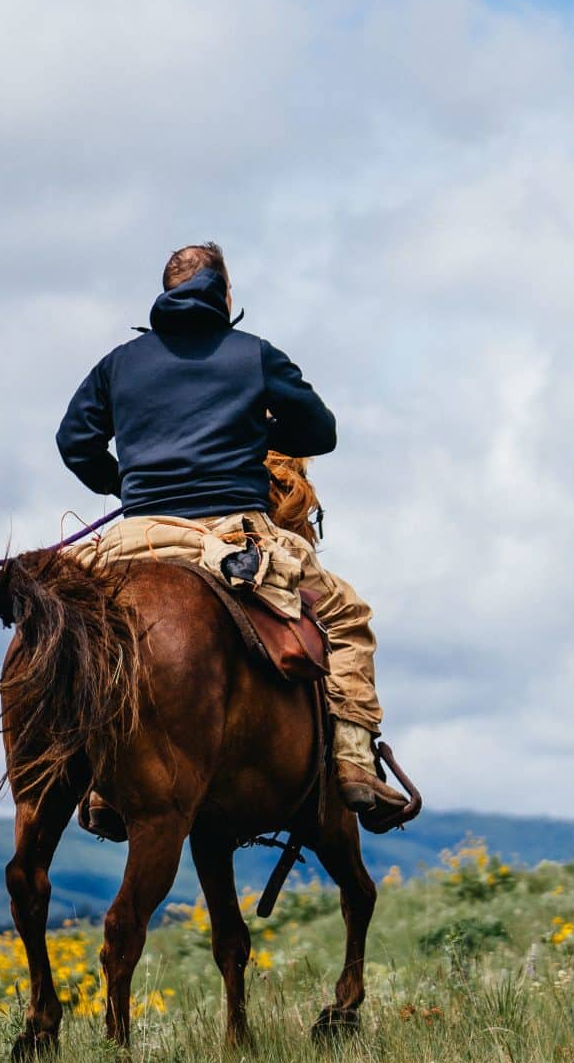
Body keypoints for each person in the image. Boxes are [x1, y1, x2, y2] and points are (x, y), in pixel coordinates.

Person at [55, 242, 410, 827]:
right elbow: (320, 432)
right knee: (347, 617)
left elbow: (74, 442)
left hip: (138, 534)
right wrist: (262, 424)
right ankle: (352, 765)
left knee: (81, 628)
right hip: (236, 532)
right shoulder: (255, 355)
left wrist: (127, 487)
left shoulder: (118, 363)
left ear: (165, 295)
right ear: (225, 296)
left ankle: (99, 779)